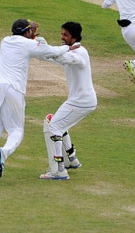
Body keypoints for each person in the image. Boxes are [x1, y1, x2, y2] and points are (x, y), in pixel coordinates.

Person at [0, 19, 79, 184]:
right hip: (13, 90)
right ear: (26, 32)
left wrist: (30, 36)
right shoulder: (28, 45)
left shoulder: (5, 41)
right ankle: (3, 152)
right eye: (30, 30)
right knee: (16, 131)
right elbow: (50, 51)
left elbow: (25, 44)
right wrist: (68, 47)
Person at [39, 22, 97, 181]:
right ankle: (72, 160)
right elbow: (55, 59)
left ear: (75, 36)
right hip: (80, 100)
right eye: (62, 33)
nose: (62, 37)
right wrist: (39, 48)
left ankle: (59, 171)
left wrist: (49, 49)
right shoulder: (70, 51)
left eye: (65, 35)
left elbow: (67, 58)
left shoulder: (80, 52)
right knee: (59, 124)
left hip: (81, 101)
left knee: (54, 126)